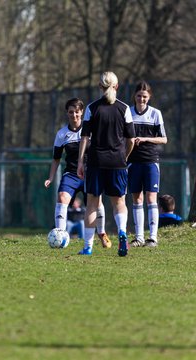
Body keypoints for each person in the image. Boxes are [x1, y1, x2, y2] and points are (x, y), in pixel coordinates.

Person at [77, 71, 135, 256]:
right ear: (116, 86)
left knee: (92, 204)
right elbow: (131, 139)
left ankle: (87, 248)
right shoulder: (124, 108)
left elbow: (84, 137)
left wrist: (80, 161)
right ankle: (123, 234)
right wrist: (124, 156)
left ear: (100, 87)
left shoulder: (91, 108)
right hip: (118, 162)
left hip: (96, 162)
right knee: (119, 203)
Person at [44, 97, 111, 248]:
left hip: (91, 173)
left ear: (82, 113)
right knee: (62, 197)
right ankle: (60, 236)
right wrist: (50, 177)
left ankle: (102, 233)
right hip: (72, 174)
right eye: (70, 112)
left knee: (97, 203)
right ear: (67, 113)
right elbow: (56, 159)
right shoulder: (62, 134)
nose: (74, 115)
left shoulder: (91, 131)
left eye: (77, 112)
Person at [127, 81, 168, 247]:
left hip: (151, 161)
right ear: (134, 96)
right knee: (137, 199)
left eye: (144, 96)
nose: (141, 99)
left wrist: (145, 139)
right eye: (139, 96)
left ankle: (152, 237)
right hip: (132, 162)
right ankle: (139, 237)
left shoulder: (156, 114)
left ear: (149, 97)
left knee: (151, 198)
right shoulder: (128, 113)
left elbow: (164, 139)